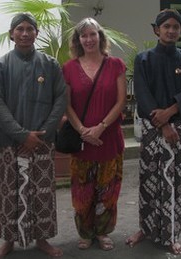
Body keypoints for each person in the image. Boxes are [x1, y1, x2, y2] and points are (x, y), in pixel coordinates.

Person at [0, 13, 66, 258]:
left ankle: (42, 239)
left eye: (29, 29)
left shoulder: (50, 65)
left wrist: (39, 137)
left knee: (42, 193)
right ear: (11, 34)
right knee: (9, 194)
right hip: (11, 144)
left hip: (42, 143)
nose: (24, 33)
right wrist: (23, 136)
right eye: (19, 29)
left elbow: (60, 100)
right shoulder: (0, 66)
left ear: (36, 33)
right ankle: (8, 241)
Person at [125, 9, 181, 255]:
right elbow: (143, 95)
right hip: (152, 128)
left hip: (179, 128)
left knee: (174, 182)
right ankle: (145, 229)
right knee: (149, 179)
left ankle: (171, 234)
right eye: (166, 26)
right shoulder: (144, 59)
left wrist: (171, 113)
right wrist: (163, 122)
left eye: (175, 27)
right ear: (156, 30)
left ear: (180, 31)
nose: (170, 30)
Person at [62, 17, 127, 251]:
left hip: (108, 138)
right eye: (83, 35)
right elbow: (66, 105)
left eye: (92, 34)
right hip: (82, 141)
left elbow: (121, 101)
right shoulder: (69, 68)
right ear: (78, 40)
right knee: (82, 190)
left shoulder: (116, 65)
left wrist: (100, 127)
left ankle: (102, 231)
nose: (88, 39)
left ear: (100, 36)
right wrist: (82, 130)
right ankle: (86, 232)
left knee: (108, 188)